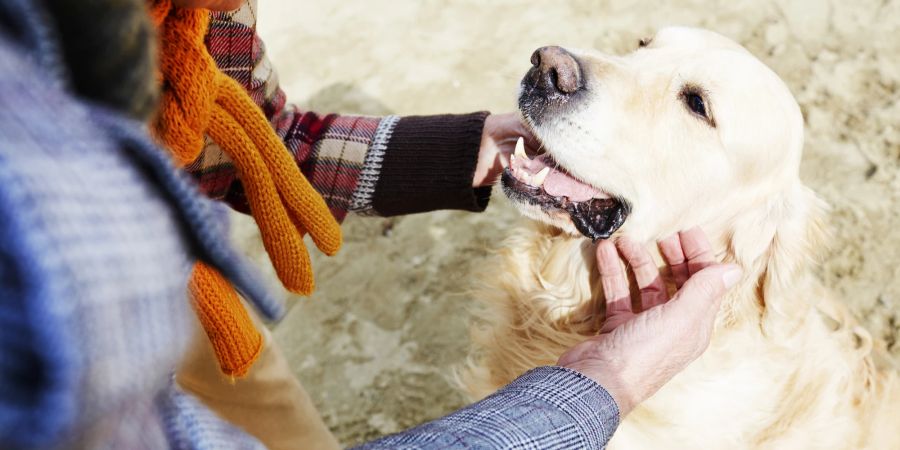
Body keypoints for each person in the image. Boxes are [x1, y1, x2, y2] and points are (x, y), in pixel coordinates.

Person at [0, 1, 742, 449]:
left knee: (274, 409)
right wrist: (600, 382)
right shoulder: (29, 243)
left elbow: (266, 137)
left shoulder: (194, 14)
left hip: (193, 288)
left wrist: (463, 150)